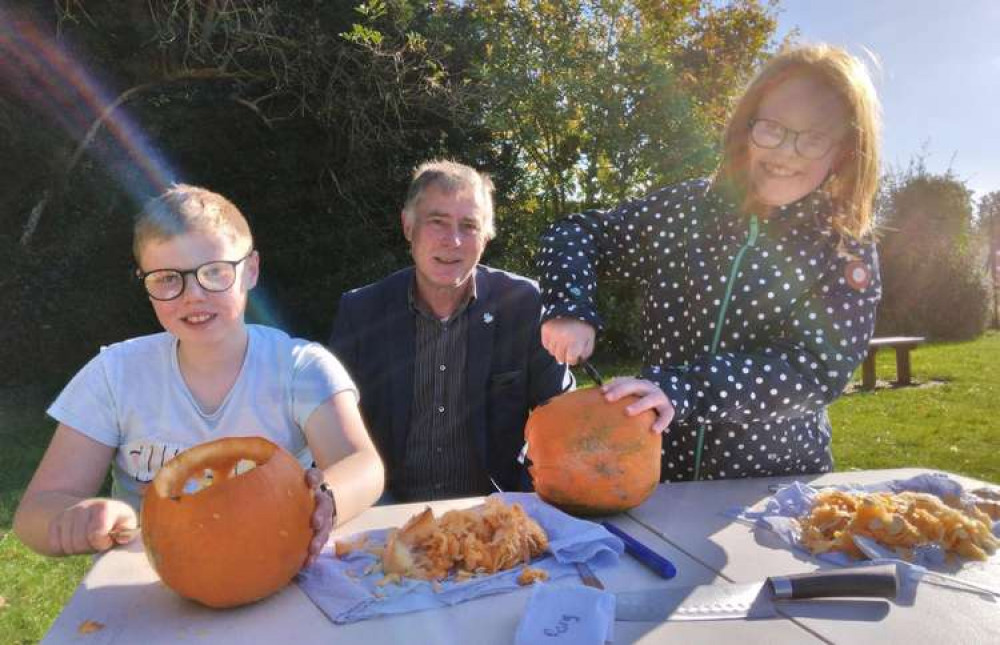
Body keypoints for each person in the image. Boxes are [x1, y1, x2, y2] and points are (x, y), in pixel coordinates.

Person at [537, 44, 882, 482]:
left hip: (774, 488)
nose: (786, 152)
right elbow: (574, 233)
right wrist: (569, 306)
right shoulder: (684, 210)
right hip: (660, 476)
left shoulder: (843, 246)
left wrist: (681, 389)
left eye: (813, 138)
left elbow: (815, 370)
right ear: (746, 127)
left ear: (845, 151)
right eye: (773, 128)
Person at [14, 185, 384, 559]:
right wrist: (76, 518)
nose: (193, 295)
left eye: (215, 272)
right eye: (167, 278)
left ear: (250, 270)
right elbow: (34, 512)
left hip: (277, 569)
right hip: (146, 587)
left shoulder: (300, 366)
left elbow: (361, 465)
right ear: (146, 284)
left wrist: (326, 499)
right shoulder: (114, 375)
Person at [329, 160, 573, 502]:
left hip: (496, 513)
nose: (453, 240)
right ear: (408, 226)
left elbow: (562, 416)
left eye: (469, 225)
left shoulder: (524, 305)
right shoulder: (361, 311)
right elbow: (332, 432)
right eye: (437, 221)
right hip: (385, 514)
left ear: (486, 236)